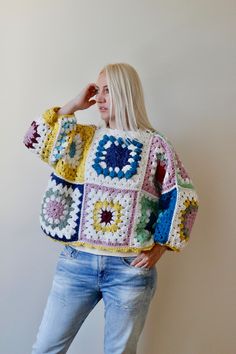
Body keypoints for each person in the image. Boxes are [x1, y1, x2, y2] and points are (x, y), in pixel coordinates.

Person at [23, 62, 199, 354]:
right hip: (76, 264)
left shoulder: (155, 146)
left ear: (126, 94)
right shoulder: (82, 139)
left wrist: (162, 245)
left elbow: (183, 197)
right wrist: (73, 105)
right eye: (98, 90)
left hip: (129, 270)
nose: (100, 98)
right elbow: (35, 138)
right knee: (45, 348)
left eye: (108, 90)